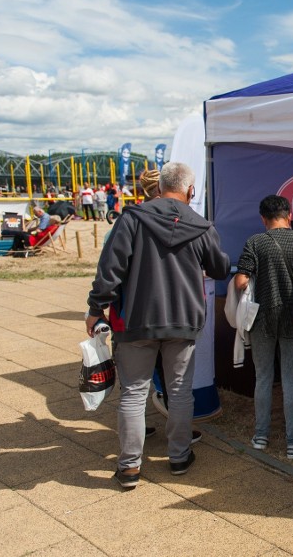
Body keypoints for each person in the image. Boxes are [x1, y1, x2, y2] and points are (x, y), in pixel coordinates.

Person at [86, 162, 230, 489]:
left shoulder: (132, 219)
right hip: (183, 322)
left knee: (134, 393)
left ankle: (129, 468)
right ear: (191, 191)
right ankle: (179, 456)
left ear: (160, 186)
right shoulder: (201, 225)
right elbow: (220, 267)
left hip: (136, 321)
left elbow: (110, 270)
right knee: (179, 392)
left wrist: (95, 308)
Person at [233, 195, 293, 459]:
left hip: (262, 320)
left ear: (263, 219)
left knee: (263, 377)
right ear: (289, 215)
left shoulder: (255, 242)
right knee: (290, 380)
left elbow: (240, 281)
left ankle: (261, 436)